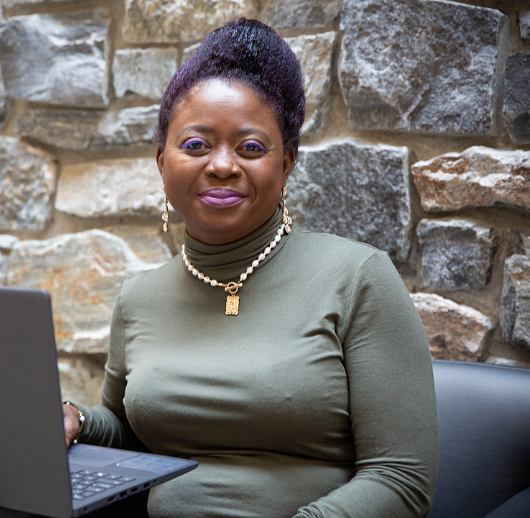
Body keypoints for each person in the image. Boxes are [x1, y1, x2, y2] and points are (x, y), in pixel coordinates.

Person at [62, 18, 439, 518]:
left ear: (286, 165)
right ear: (161, 162)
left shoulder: (358, 278)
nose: (221, 165)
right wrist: (78, 421)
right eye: (195, 145)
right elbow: (130, 432)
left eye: (251, 148)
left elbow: (401, 478)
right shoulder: (139, 297)